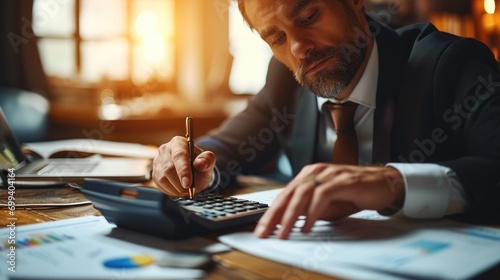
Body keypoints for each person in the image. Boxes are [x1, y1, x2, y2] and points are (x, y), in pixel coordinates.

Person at [153, 0, 500, 239]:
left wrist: (393, 183)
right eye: (276, 37)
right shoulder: (284, 77)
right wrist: (190, 160)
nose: (298, 48)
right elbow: (227, 145)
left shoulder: (448, 64)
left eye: (307, 17)